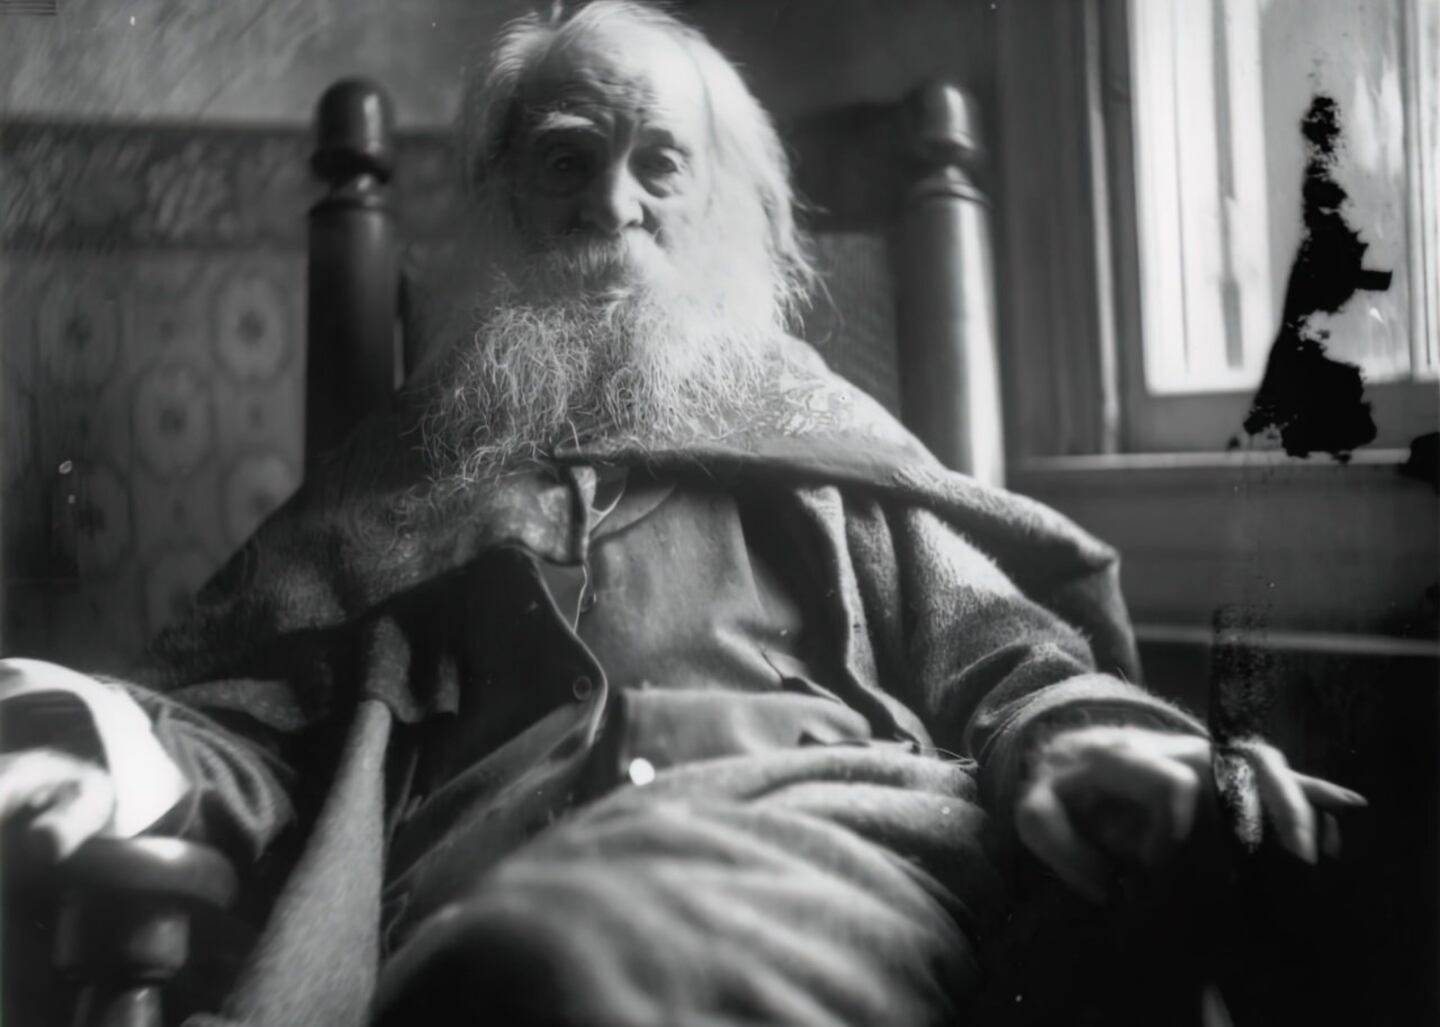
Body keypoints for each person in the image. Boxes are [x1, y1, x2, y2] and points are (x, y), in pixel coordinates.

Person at [0, 4, 1365, 1025]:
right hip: (453, 907)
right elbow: (255, 731)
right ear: (501, 203)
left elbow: (1012, 666)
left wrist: (1084, 743)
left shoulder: (823, 441)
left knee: (550, 967)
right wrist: (104, 739)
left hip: (810, 852)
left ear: (725, 212)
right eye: (565, 160)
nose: (613, 203)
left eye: (661, 163)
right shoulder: (407, 471)